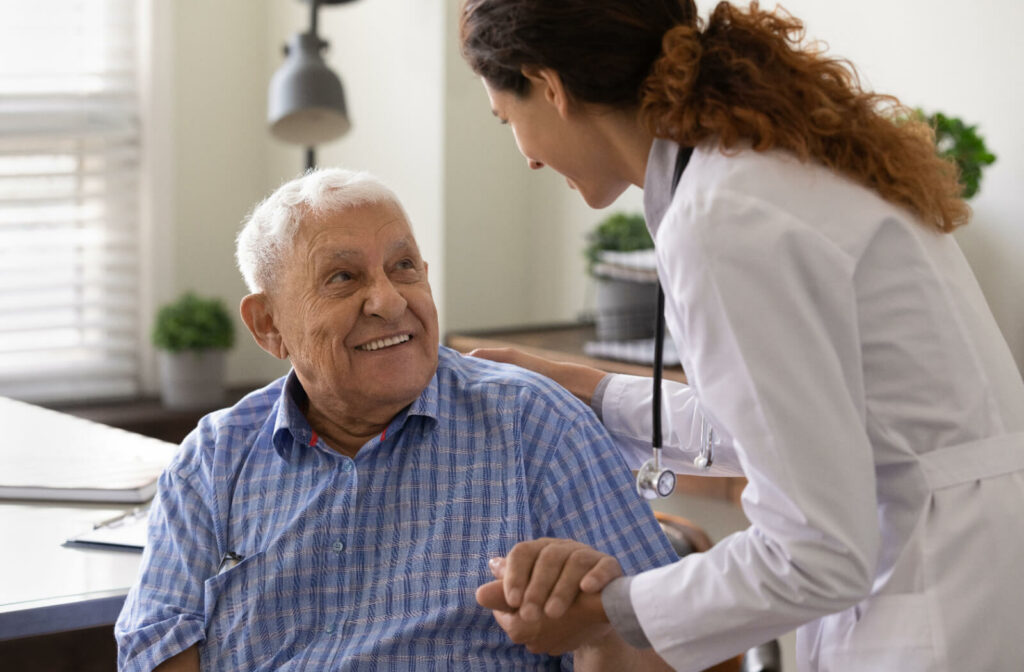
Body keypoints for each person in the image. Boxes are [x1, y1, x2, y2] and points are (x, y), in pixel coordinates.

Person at [459, 1, 1024, 670]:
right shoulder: (764, 164)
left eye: (507, 122)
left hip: (941, 599)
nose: (525, 157)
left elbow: (814, 555)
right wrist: (595, 392)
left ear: (549, 87)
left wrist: (608, 614)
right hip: (970, 560)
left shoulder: (721, 218)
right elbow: (796, 425)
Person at [114, 168, 679, 671]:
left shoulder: (534, 426)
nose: (387, 300)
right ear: (268, 325)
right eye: (343, 278)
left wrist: (601, 626)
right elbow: (155, 648)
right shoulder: (213, 459)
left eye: (403, 267)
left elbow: (671, 651)